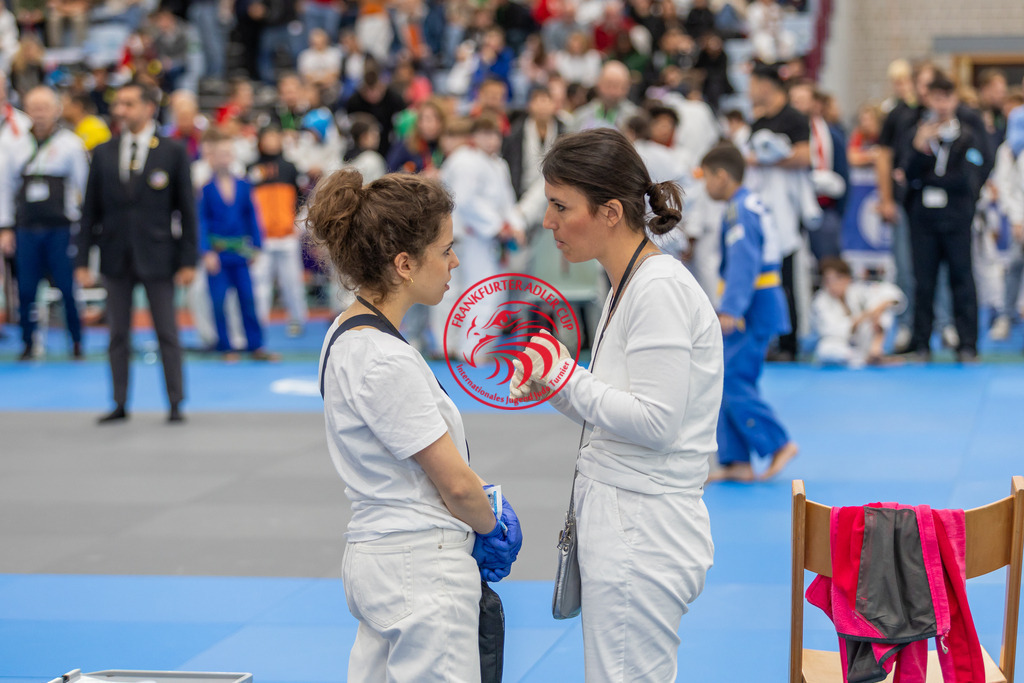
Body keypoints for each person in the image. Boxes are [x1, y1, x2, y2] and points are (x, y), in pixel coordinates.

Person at [509, 128, 720, 682]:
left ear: (608, 212)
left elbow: (656, 422)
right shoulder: (626, 282)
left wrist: (564, 375)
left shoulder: (657, 289)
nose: (549, 221)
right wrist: (551, 385)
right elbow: (614, 413)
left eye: (561, 207)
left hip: (643, 529)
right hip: (627, 518)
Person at [306, 168, 523, 680]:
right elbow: (453, 483)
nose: (454, 262)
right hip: (419, 566)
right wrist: (491, 524)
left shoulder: (348, 331)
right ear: (404, 263)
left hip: (384, 559)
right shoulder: (384, 358)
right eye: (445, 249)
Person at [75, 82, 198, 424]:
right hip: (115, 255)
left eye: (129, 104)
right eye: (119, 104)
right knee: (117, 335)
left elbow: (187, 211)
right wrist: (82, 260)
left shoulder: (172, 152)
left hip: (159, 255)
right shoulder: (102, 152)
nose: (121, 110)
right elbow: (89, 213)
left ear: (148, 108)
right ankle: (119, 402)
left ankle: (175, 402)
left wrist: (189, 259)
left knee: (167, 332)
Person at [700, 142, 797, 483]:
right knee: (727, 378)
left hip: (753, 306)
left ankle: (778, 443)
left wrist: (731, 308)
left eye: (707, 178)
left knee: (733, 380)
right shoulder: (744, 205)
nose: (706, 186)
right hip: (753, 303)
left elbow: (745, 262)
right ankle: (737, 461)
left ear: (722, 176)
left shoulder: (740, 210)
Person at [902, 72, 988, 363]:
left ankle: (967, 344)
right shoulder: (918, 133)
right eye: (936, 98)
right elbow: (906, 173)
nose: (941, 104)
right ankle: (922, 343)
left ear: (954, 100)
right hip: (923, 219)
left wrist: (930, 181)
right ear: (929, 100)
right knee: (923, 282)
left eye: (946, 98)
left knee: (961, 279)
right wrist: (920, 148)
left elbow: (968, 178)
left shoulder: (968, 135)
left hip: (956, 218)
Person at [0, 86, 89, 360]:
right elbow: (5, 187)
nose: (39, 113)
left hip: (61, 228)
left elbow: (83, 185)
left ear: (56, 110)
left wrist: (83, 226)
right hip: (26, 228)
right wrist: (5, 227)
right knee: (25, 289)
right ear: (27, 110)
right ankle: (28, 342)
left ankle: (76, 341)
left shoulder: (70, 144)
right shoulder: (13, 144)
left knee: (66, 287)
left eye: (45, 107)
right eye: (34, 108)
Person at [199, 128, 278, 361]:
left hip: (241, 252)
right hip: (218, 254)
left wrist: (257, 245)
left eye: (228, 153)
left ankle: (256, 345)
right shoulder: (205, 189)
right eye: (220, 153)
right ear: (211, 157)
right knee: (218, 301)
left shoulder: (243, 185)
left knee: (248, 298)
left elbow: (252, 216)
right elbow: (200, 222)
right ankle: (226, 346)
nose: (224, 157)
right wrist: (205, 252)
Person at [247, 126, 308, 337]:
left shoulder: (290, 168)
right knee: (259, 283)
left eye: (275, 136)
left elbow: (303, 197)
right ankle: (259, 322)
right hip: (261, 237)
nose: (272, 141)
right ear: (260, 141)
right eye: (268, 137)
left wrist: (298, 223)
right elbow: (247, 203)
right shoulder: (251, 168)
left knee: (292, 282)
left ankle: (297, 320)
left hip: (287, 235)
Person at [812, 257, 906, 367]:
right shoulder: (820, 301)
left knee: (884, 313)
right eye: (828, 280)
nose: (833, 284)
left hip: (866, 341)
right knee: (825, 350)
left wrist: (877, 311)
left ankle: (875, 352)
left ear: (847, 278)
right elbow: (830, 330)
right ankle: (867, 360)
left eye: (837, 278)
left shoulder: (857, 290)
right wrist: (862, 318)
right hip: (840, 344)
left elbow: (891, 293)